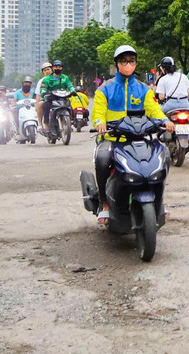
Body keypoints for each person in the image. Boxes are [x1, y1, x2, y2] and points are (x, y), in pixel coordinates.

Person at [90, 44, 171, 225]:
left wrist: (165, 120)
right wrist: (99, 123)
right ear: (117, 64)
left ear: (135, 64)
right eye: (124, 61)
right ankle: (105, 203)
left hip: (139, 138)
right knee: (102, 159)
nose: (128, 64)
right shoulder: (105, 89)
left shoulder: (143, 89)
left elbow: (154, 109)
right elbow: (98, 112)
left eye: (131, 61)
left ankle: (158, 202)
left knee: (163, 155)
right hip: (112, 139)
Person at [38, 60, 74, 131]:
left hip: (63, 97)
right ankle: (46, 124)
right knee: (46, 106)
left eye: (59, 67)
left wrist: (73, 90)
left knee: (70, 105)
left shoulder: (65, 78)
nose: (57, 68)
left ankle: (69, 122)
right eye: (56, 67)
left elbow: (70, 86)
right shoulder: (47, 79)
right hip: (51, 98)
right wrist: (44, 92)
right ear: (53, 68)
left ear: (61, 68)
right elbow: (43, 88)